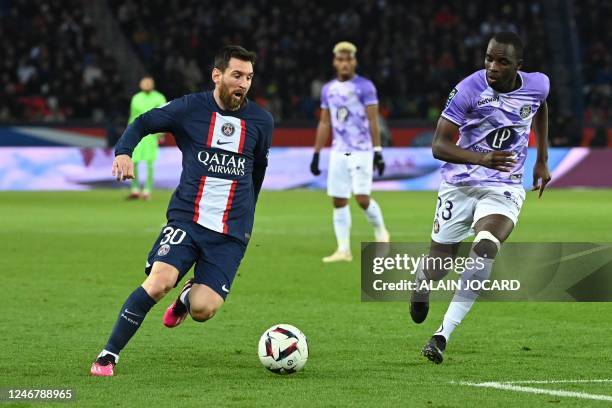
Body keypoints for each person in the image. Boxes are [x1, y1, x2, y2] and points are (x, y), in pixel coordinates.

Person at [90, 45, 273, 376]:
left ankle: (187, 299)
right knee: (159, 282)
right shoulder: (190, 108)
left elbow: (257, 169)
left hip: (231, 231)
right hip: (188, 217)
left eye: (248, 77)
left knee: (204, 310)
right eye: (236, 75)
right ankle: (108, 354)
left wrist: (249, 214)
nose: (243, 84)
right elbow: (143, 122)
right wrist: (124, 152)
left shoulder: (262, 120)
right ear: (217, 75)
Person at [409, 32, 551, 364]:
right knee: (440, 263)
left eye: (502, 61)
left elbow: (541, 107)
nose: (493, 66)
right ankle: (421, 282)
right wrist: (481, 158)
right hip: (459, 184)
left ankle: (442, 335)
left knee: (486, 246)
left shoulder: (538, 84)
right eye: (489, 58)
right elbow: (438, 145)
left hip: (504, 186)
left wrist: (542, 158)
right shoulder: (469, 90)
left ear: (518, 65)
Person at [310, 41, 390, 263]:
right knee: (338, 200)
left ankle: (382, 232)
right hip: (339, 152)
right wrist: (317, 153)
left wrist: (378, 150)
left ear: (354, 61)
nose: (344, 63)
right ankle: (343, 249)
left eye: (348, 59)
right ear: (335, 62)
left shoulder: (365, 87)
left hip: (362, 150)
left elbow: (373, 120)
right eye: (340, 59)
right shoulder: (328, 89)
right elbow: (325, 122)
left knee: (362, 198)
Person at [126, 75, 167, 200]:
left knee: (150, 163)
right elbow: (132, 117)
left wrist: (162, 133)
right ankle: (135, 189)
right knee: (134, 162)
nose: (147, 85)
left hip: (151, 135)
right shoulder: (136, 98)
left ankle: (147, 190)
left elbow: (164, 116)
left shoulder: (159, 97)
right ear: (141, 85)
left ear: (153, 84)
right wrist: (128, 133)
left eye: (149, 83)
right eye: (145, 83)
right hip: (138, 133)